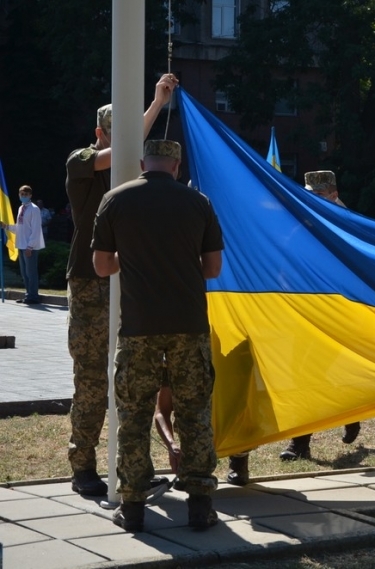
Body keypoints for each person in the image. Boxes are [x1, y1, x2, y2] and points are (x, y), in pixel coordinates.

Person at [91, 139, 224, 531]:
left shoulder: (115, 201)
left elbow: (101, 267)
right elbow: (213, 268)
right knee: (195, 413)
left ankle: (132, 508)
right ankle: (200, 504)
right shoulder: (199, 203)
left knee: (133, 414)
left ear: (141, 164)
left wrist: (132, 257)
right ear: (176, 166)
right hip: (189, 325)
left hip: (139, 327)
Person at [64, 73, 179, 497]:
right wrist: (152, 109)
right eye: (118, 132)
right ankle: (83, 466)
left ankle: (134, 466)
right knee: (92, 378)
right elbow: (114, 156)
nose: (128, 141)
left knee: (135, 379)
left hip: (129, 282)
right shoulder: (81, 160)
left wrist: (157, 104)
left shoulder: (135, 171)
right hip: (91, 284)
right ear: (100, 133)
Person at [279, 170, 362, 463]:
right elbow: (285, 263)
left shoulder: (348, 224)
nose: (311, 199)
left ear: (333, 194)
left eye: (318, 194)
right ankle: (299, 442)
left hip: (339, 311)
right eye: (309, 193)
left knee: (327, 372)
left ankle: (350, 410)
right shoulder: (298, 223)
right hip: (305, 312)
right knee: (302, 374)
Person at [0, 185, 45, 304]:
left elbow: (35, 229)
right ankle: (28, 294)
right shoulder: (21, 208)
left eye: (26, 194)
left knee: (31, 272)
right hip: (21, 243)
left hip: (30, 246)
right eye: (21, 194)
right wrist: (7, 227)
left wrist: (30, 246)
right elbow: (20, 227)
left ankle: (33, 296)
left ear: (30, 195)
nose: (23, 196)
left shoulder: (34, 209)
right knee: (24, 273)